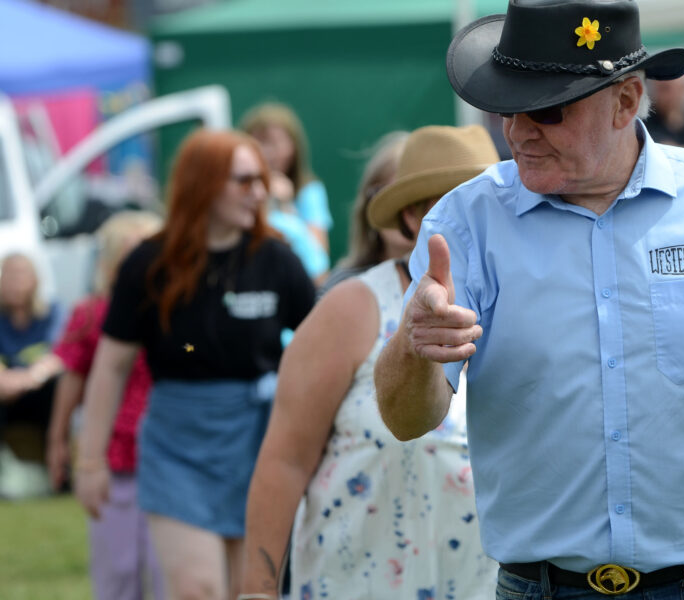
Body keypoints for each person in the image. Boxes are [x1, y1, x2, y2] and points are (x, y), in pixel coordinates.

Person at [374, 1, 684, 598]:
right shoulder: (465, 221)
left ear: (627, 101)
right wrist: (414, 348)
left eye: (547, 109)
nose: (517, 130)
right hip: (544, 585)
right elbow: (406, 420)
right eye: (507, 107)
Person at [238, 125, 499, 600]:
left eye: (489, 203)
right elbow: (285, 460)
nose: (476, 220)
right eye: (451, 205)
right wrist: (257, 591)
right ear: (412, 216)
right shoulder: (353, 307)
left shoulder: (529, 306)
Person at [74, 129, 316, 600]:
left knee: (251, 591)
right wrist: (89, 461)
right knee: (196, 589)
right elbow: (110, 367)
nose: (260, 193)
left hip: (258, 438)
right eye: (244, 181)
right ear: (203, 183)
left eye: (262, 180)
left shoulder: (277, 260)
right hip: (176, 442)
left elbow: (320, 348)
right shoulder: (149, 263)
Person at [46, 210, 164, 600]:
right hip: (115, 456)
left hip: (168, 454)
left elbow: (194, 352)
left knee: (169, 569)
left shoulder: (177, 315)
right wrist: (59, 438)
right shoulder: (93, 314)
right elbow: (73, 375)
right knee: (119, 567)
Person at [241, 102, 332, 284]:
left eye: (275, 142)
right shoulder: (239, 191)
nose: (268, 152)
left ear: (294, 147)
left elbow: (319, 261)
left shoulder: (309, 190)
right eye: (260, 142)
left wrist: (286, 206)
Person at [317, 130, 414, 297]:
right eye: (385, 196)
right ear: (367, 206)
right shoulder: (343, 286)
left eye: (413, 197)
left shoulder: (461, 280)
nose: (401, 210)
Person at [0, 252, 65, 497]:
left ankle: (60, 474)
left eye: (21, 275)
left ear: (35, 280)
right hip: (5, 392)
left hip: (40, 390)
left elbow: (60, 354)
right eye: (9, 275)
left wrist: (30, 378)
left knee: (61, 387)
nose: (14, 282)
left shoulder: (52, 312)